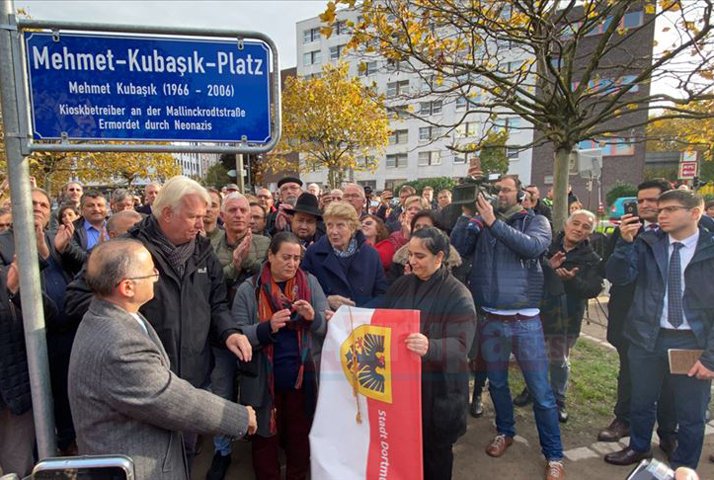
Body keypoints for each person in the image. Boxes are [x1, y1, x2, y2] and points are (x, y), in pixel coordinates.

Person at [68, 239, 257, 480]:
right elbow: (170, 399)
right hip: (137, 468)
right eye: (151, 272)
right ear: (127, 287)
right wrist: (238, 417)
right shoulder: (119, 342)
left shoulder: (111, 315)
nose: (157, 275)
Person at [124, 176, 252, 467]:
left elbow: (217, 303)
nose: (200, 224)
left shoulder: (204, 251)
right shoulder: (129, 251)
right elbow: (83, 300)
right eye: (193, 217)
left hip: (192, 381)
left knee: (186, 457)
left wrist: (229, 333)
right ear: (167, 213)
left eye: (203, 217)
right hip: (148, 385)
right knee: (152, 464)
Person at [451, 175, 565, 480]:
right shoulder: (480, 223)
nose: (499, 194)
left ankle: (554, 454)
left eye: (505, 190)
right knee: (497, 384)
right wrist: (466, 215)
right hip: (491, 319)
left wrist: (493, 222)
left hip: (525, 321)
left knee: (541, 391)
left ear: (520, 194)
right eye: (496, 189)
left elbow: (532, 249)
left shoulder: (536, 221)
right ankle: (505, 431)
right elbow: (457, 251)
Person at [604, 190, 714, 470]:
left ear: (694, 213)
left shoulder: (709, 249)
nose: (660, 214)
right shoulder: (648, 243)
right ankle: (638, 448)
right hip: (647, 336)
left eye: (670, 209)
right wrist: (625, 244)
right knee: (641, 400)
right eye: (659, 209)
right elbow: (619, 277)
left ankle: (684, 467)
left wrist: (710, 357)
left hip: (689, 341)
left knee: (690, 412)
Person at [375, 227, 476, 480]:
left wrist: (431, 347)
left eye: (419, 256)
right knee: (402, 454)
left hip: (439, 392)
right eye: (410, 254)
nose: (411, 261)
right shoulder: (400, 286)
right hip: (402, 390)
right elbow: (380, 322)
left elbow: (463, 345)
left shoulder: (458, 294)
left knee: (435, 458)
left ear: (439, 257)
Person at [232, 232, 328, 480]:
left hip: (302, 378)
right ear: (270, 255)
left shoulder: (310, 283)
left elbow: (328, 326)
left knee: (299, 437)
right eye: (286, 257)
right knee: (265, 438)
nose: (292, 263)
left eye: (297, 258)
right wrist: (267, 327)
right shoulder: (249, 289)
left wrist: (312, 317)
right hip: (264, 379)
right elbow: (236, 333)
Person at [598, 179, 677, 452]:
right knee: (630, 372)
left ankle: (669, 431)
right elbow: (610, 271)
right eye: (640, 200)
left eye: (651, 200)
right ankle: (624, 419)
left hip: (670, 321)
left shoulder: (681, 233)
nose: (644, 205)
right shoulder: (625, 231)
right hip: (629, 316)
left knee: (671, 378)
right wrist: (624, 240)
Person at [0, 188, 79, 456]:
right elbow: (12, 287)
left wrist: (61, 251)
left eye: (43, 204)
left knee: (68, 408)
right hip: (28, 343)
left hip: (66, 340)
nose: (37, 208)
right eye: (31, 202)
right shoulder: (3, 243)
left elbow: (83, 272)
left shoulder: (58, 238)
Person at [512, 210, 603, 423]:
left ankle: (558, 399)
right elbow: (528, 275)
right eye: (576, 223)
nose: (579, 229)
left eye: (586, 227)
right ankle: (532, 389)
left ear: (590, 232)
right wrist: (547, 268)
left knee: (558, 360)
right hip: (539, 311)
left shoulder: (592, 258)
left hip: (568, 316)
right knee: (533, 355)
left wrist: (571, 280)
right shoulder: (544, 246)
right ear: (566, 223)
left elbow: (592, 289)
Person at [206, 192, 270, 477]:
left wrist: (247, 263)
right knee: (222, 389)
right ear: (222, 215)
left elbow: (267, 276)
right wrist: (234, 264)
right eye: (232, 210)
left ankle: (258, 441)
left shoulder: (265, 243)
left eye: (244, 210)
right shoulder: (208, 245)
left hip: (256, 331)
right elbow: (211, 283)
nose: (239, 215)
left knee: (257, 388)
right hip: (220, 330)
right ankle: (222, 451)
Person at [302, 201, 387, 310]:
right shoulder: (313, 253)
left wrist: (359, 311)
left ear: (352, 228)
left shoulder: (370, 255)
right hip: (329, 319)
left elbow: (382, 294)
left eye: (340, 225)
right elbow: (303, 290)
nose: (334, 231)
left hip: (362, 321)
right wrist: (326, 299)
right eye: (329, 225)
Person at [388, 210, 461, 282]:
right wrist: (406, 283)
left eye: (426, 227)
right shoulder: (399, 259)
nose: (421, 230)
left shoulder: (453, 262)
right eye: (417, 226)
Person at [54, 190, 109, 274]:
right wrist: (99, 248)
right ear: (81, 209)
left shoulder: (117, 225)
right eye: (90, 206)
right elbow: (78, 259)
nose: (96, 209)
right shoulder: (71, 230)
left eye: (100, 205)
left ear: (107, 208)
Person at [375, 195, 430, 270]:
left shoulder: (431, 232)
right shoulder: (394, 234)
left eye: (417, 209)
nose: (412, 211)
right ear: (405, 213)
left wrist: (411, 235)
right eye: (409, 209)